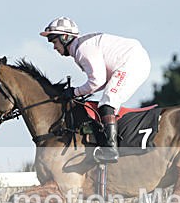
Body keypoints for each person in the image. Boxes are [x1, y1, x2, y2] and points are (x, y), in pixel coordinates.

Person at [40, 16, 151, 163]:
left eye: (54, 42)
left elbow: (97, 81)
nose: (54, 47)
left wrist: (74, 92)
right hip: (132, 60)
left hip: (132, 62)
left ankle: (110, 149)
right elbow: (101, 81)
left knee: (108, 102)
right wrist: (78, 92)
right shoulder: (81, 47)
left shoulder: (82, 50)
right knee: (106, 100)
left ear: (65, 37)